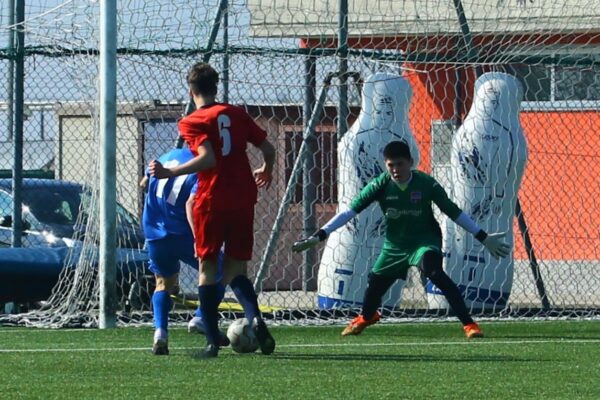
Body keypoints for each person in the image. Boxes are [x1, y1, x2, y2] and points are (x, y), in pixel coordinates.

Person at [293, 141, 510, 338]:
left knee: (435, 273)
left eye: (399, 164)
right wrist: (320, 235)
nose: (395, 170)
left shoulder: (426, 184)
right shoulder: (380, 184)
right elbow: (350, 212)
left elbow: (453, 211)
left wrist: (483, 237)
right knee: (374, 286)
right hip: (395, 245)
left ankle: (470, 325)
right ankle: (367, 316)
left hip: (424, 241)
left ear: (410, 163)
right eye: (390, 165)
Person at [149, 62, 277, 358]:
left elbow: (207, 160)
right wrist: (266, 170)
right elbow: (269, 150)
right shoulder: (236, 113)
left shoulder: (191, 122)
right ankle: (256, 319)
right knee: (236, 270)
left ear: (191, 90)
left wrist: (171, 172)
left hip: (212, 198)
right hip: (244, 196)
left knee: (207, 270)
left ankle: (210, 343)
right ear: (215, 87)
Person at [141, 147, 226, 355]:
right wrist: (199, 239)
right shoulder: (201, 166)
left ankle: (160, 332)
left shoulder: (166, 155)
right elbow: (191, 203)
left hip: (154, 230)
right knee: (222, 269)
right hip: (183, 232)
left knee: (163, 282)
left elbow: (144, 183)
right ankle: (200, 318)